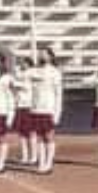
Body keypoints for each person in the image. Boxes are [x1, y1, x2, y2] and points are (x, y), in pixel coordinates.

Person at [30, 47, 63, 175]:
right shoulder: (35, 71)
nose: (41, 56)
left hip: (48, 108)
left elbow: (58, 94)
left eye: (44, 54)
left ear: (50, 57)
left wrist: (57, 113)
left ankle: (49, 163)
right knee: (38, 137)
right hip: (36, 108)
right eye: (40, 54)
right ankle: (41, 162)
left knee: (48, 137)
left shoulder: (55, 72)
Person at [13, 55, 37, 166]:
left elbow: (27, 86)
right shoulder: (20, 74)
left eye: (24, 62)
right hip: (19, 105)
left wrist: (16, 82)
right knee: (22, 133)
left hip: (28, 105)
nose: (22, 64)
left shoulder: (31, 73)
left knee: (31, 132)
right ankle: (25, 156)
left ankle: (33, 156)